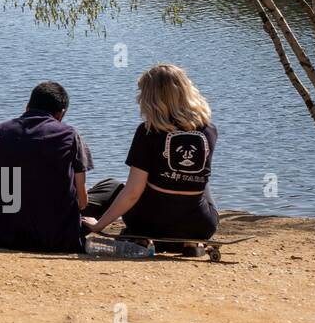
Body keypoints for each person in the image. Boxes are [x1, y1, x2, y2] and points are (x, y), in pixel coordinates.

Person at [83, 64, 218, 246]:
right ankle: (191, 242)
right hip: (200, 225)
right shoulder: (209, 130)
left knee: (120, 188)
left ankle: (142, 236)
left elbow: (132, 192)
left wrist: (99, 225)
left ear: (152, 98)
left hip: (150, 223)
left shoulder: (148, 131)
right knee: (203, 184)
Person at [0, 81, 90, 253]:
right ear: (61, 113)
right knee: (110, 188)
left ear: (27, 106)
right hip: (55, 236)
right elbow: (82, 202)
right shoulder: (70, 136)